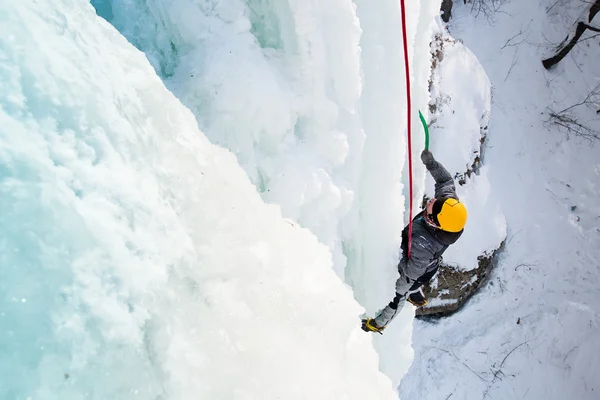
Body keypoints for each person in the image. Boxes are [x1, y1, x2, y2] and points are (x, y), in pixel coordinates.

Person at [361, 149, 467, 334]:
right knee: (414, 284)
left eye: (430, 210)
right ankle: (416, 295)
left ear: (435, 224)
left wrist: (398, 286)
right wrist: (432, 164)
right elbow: (445, 181)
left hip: (418, 270)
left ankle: (380, 323)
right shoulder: (448, 206)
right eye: (433, 202)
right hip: (427, 266)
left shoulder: (423, 245)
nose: (429, 204)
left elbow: (409, 276)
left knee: (400, 295)